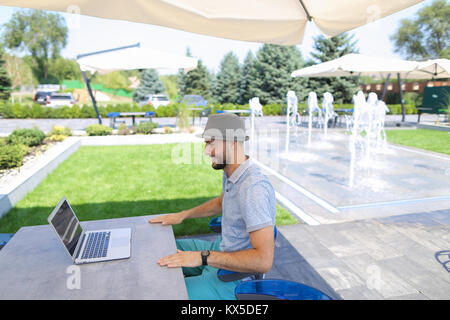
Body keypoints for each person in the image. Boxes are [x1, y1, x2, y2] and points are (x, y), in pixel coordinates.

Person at [149, 113, 276, 300]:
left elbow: (263, 261)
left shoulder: (253, 189)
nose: (207, 151)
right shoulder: (233, 173)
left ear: (232, 143)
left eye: (211, 143)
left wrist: (203, 256)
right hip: (222, 251)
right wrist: (182, 215)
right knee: (161, 249)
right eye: (206, 144)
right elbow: (222, 202)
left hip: (234, 278)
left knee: (163, 293)